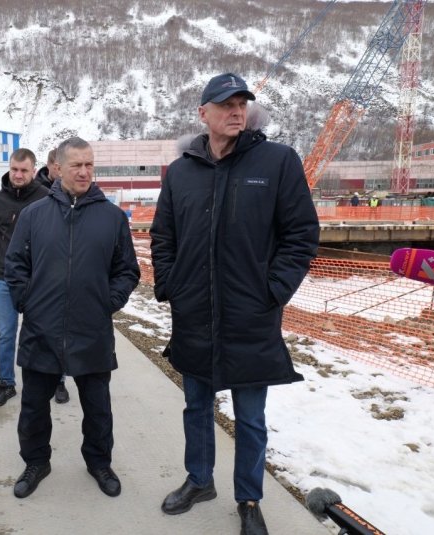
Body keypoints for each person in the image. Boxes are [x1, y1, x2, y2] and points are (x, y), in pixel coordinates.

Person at [150, 73, 319, 535]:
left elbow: (301, 235)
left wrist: (273, 291)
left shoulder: (277, 161)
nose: (237, 110)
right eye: (226, 103)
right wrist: (170, 286)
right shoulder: (181, 171)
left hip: (251, 316)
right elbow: (163, 235)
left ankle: (248, 499)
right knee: (196, 406)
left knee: (250, 418)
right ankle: (199, 481)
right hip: (194, 314)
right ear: (203, 113)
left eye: (242, 102)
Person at [4, 136, 140, 499]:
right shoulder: (34, 215)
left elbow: (127, 270)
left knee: (98, 407)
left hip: (91, 330)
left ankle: (99, 462)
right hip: (41, 329)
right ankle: (36, 461)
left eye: (89, 164)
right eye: (76, 165)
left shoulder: (112, 217)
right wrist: (28, 303)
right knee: (34, 407)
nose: (84, 172)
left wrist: (107, 302)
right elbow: (15, 265)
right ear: (57, 168)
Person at [0, 149, 49, 406]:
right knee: (7, 335)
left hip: (38, 280)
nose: (18, 175)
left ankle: (55, 380)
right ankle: (6, 383)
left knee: (45, 333)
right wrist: (8, 260)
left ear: (34, 171)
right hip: (5, 280)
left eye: (24, 170)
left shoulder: (46, 198)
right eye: (14, 169)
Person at [29, 147, 71, 404]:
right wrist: (25, 295)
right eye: (58, 166)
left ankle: (60, 381)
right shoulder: (37, 196)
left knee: (63, 336)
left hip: (65, 279)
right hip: (39, 282)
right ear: (53, 166)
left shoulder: (71, 195)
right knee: (41, 338)